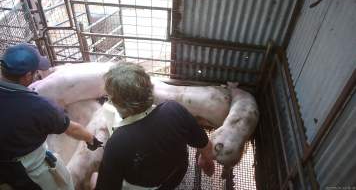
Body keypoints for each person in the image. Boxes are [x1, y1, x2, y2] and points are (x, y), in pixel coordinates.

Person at [94, 62, 215, 190]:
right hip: (177, 174)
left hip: (148, 187)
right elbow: (206, 145)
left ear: (116, 103)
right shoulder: (174, 110)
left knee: (94, 179)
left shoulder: (117, 142)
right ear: (150, 88)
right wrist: (206, 159)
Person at [0, 44, 103, 190]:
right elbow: (72, 129)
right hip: (30, 169)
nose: (37, 74)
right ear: (28, 76)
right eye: (36, 72)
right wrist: (91, 139)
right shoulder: (37, 106)